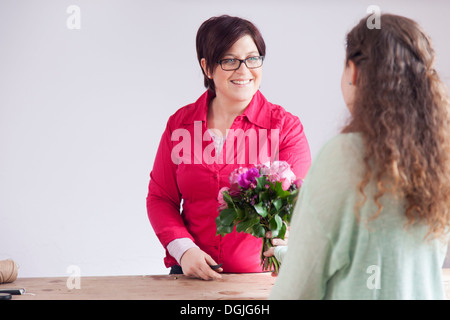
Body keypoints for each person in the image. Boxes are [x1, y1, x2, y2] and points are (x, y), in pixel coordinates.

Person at [269, 13, 450, 299]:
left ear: (353, 72)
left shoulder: (342, 157)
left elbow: (296, 292)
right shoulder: (440, 159)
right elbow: (396, 262)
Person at [146, 15, 311, 280]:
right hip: (191, 277)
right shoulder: (180, 125)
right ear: (207, 67)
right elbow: (160, 198)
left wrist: (290, 230)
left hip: (262, 280)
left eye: (253, 58)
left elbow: (300, 202)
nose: (244, 70)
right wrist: (184, 250)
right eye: (230, 60)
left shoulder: (285, 127)